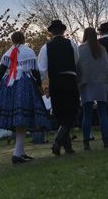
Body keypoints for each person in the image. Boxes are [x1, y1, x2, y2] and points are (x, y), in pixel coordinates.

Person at [0, 31, 48, 163]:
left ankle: (20, 151)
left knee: (19, 119)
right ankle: (17, 153)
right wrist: (39, 85)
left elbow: (0, 73)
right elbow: (34, 71)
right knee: (22, 118)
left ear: (12, 40)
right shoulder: (29, 52)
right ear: (23, 39)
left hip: (8, 86)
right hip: (24, 86)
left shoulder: (7, 53)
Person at [38, 20, 80, 156]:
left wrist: (40, 83)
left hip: (55, 81)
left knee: (60, 113)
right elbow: (76, 60)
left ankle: (65, 145)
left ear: (51, 32)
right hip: (70, 79)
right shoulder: (71, 44)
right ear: (63, 31)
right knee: (71, 111)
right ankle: (60, 142)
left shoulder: (46, 47)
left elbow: (42, 69)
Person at [76, 27, 108, 150]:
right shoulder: (102, 49)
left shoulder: (80, 49)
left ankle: (86, 142)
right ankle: (106, 141)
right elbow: (107, 66)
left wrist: (78, 82)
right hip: (101, 82)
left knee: (87, 113)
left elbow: (78, 67)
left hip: (86, 82)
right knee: (103, 112)